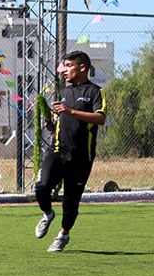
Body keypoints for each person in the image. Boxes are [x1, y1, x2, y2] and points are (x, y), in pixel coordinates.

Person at [34, 51, 106, 252]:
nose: (63, 71)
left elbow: (101, 118)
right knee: (42, 186)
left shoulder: (95, 92)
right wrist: (50, 124)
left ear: (81, 67)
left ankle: (63, 235)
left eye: (68, 66)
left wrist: (70, 111)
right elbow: (62, 121)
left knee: (70, 202)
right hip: (57, 150)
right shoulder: (64, 91)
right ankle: (48, 213)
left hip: (81, 157)